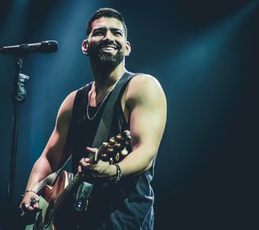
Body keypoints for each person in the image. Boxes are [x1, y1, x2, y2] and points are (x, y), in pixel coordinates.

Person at [19, 7, 167, 230]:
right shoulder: (74, 101)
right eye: (100, 32)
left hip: (124, 219)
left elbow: (146, 151)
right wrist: (31, 189)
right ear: (85, 46)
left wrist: (113, 171)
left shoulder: (142, 87)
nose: (109, 37)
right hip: (76, 220)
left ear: (126, 48)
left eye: (116, 33)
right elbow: (50, 157)